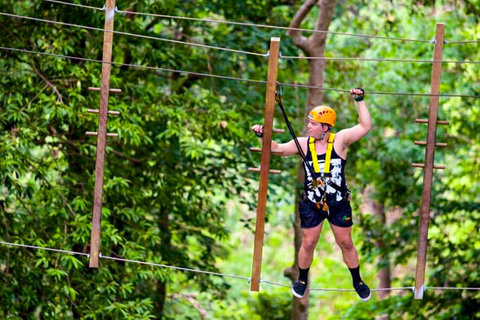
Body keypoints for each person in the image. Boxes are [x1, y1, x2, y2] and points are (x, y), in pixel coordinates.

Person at [251, 88, 372, 301]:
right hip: (312, 202)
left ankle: (357, 280)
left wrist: (359, 100)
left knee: (345, 242)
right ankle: (303, 278)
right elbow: (276, 149)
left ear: (325, 128)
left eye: (313, 124)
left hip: (338, 202)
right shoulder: (303, 145)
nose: (309, 126)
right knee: (308, 242)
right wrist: (263, 136)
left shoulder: (340, 140)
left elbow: (365, 126)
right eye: (309, 123)